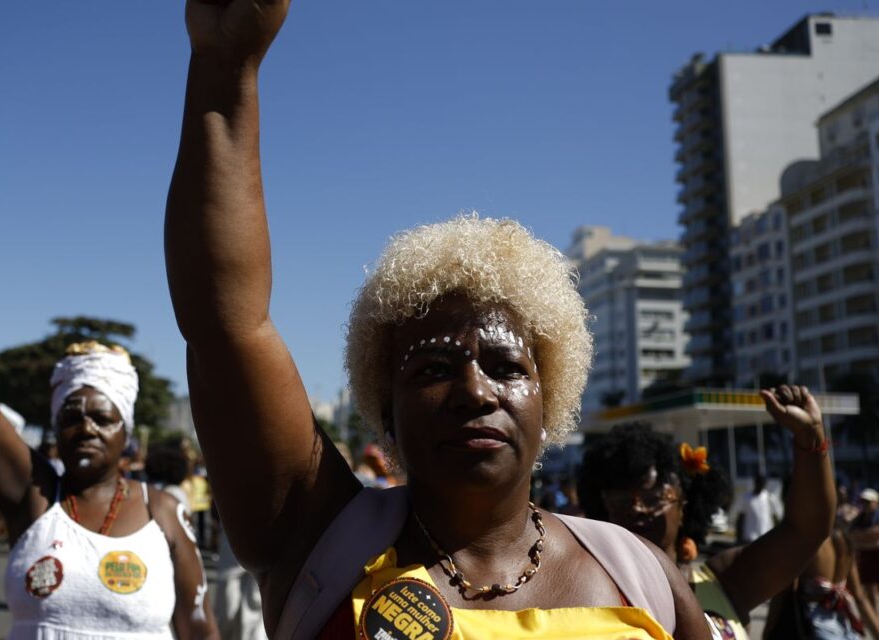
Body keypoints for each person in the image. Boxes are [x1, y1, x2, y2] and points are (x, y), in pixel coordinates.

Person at [163, 2, 709, 637]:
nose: (476, 391)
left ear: (548, 396)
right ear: (385, 402)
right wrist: (227, 67)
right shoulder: (318, 537)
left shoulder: (638, 571)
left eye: (507, 367)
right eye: (434, 368)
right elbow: (226, 324)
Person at [0, 228, 219, 639]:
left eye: (102, 417)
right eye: (71, 417)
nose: (86, 428)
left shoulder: (163, 511)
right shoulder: (35, 496)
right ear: (57, 428)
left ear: (125, 431)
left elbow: (197, 622)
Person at [579, 385, 835, 639]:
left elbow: (806, 531)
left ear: (684, 504)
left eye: (653, 498)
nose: (637, 509)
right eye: (622, 501)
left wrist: (810, 437)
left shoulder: (724, 581)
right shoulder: (591, 592)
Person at [734, 474, 782, 545]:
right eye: (759, 482)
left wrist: (777, 537)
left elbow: (776, 519)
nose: (761, 485)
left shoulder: (770, 498)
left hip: (766, 538)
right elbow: (740, 518)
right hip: (749, 538)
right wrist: (738, 537)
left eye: (763, 483)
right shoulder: (746, 497)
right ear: (755, 482)